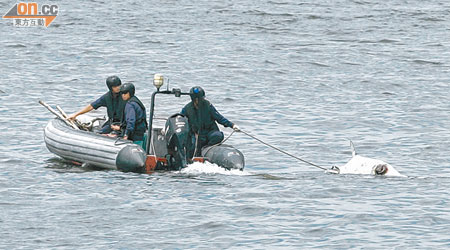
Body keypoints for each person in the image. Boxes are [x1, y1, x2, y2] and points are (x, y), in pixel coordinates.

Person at [181, 86, 240, 159]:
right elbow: (180, 119)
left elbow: (220, 118)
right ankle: (190, 157)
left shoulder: (208, 106)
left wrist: (232, 125)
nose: (200, 101)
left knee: (218, 136)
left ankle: (206, 150)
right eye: (198, 99)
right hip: (196, 134)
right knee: (191, 145)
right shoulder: (187, 109)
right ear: (194, 99)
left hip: (210, 132)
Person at [111, 83, 147, 148]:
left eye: (125, 93)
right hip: (141, 134)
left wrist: (126, 135)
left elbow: (131, 120)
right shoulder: (137, 101)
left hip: (135, 136)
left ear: (130, 93)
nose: (123, 95)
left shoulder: (130, 105)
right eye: (122, 93)